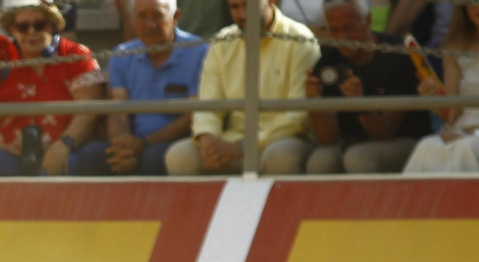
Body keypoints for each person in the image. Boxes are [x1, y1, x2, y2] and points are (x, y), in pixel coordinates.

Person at [164, 0, 319, 175]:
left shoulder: (300, 40)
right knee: (179, 155)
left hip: (285, 139)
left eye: (247, 6)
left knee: (279, 157)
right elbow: (207, 104)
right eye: (234, 7)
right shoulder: (222, 41)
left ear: (271, 2)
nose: (241, 14)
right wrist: (207, 137)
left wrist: (245, 146)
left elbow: (298, 116)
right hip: (232, 138)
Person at [0, 0, 105, 177]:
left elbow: (88, 111)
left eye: (39, 25)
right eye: (23, 27)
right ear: (12, 30)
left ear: (53, 26)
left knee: (51, 175)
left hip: (64, 149)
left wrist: (64, 144)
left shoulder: (76, 55)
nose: (31, 32)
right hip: (6, 154)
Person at [73, 0, 205, 176]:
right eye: (141, 16)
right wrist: (122, 146)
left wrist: (144, 143)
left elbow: (194, 116)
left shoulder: (199, 52)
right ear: (133, 20)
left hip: (174, 141)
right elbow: (118, 112)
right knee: (91, 155)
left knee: (154, 157)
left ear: (175, 17)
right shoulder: (122, 54)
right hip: (133, 142)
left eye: (158, 16)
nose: (149, 24)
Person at [304, 0, 429, 173]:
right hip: (350, 141)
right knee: (320, 162)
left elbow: (386, 133)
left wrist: (360, 104)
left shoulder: (396, 54)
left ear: (368, 21)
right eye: (335, 30)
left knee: (357, 158)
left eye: (349, 28)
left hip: (404, 140)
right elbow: (328, 139)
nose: (342, 38)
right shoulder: (328, 61)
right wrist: (315, 102)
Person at [403, 0, 479, 172]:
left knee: (464, 148)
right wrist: (433, 97)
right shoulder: (455, 47)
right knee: (426, 146)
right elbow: (452, 113)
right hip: (463, 129)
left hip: (471, 137)